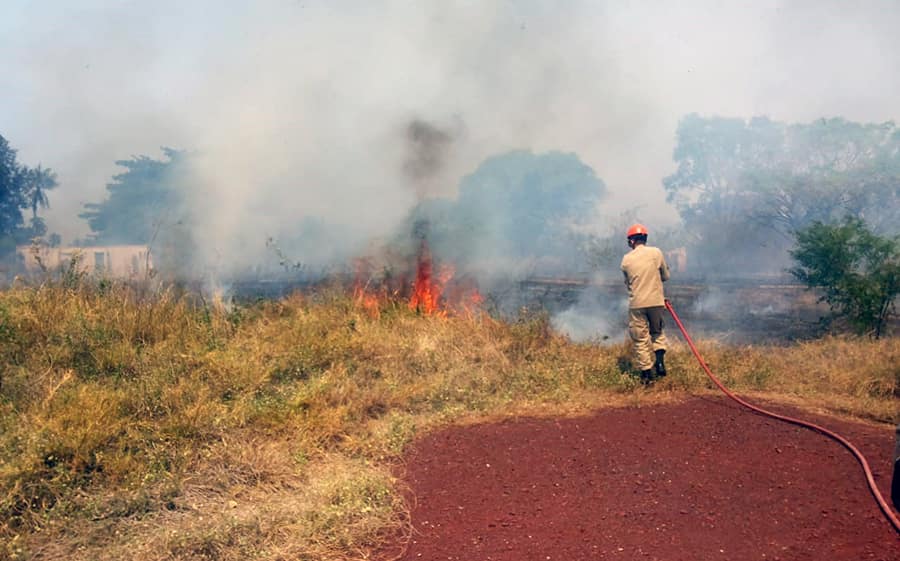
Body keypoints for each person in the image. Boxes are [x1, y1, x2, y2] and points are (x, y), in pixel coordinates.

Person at [620, 223, 670, 384]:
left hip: (637, 304)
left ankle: (646, 374)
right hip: (656, 301)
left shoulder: (626, 259)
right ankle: (660, 362)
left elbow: (628, 283)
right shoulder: (656, 252)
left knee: (640, 338)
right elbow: (665, 276)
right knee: (657, 332)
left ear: (632, 241)